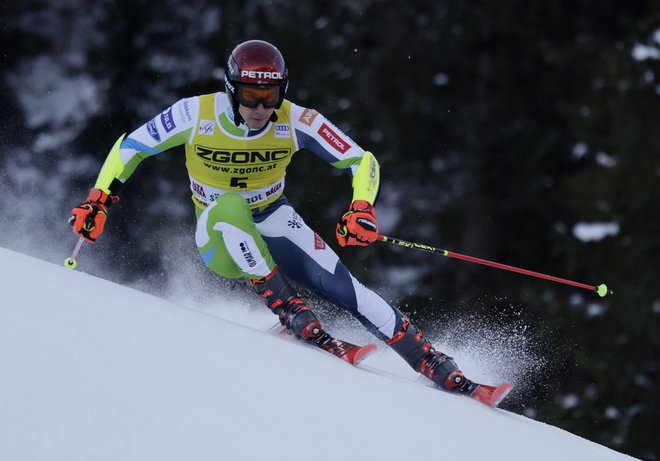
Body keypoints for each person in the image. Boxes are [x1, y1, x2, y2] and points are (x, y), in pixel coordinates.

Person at [69, 39, 475, 396]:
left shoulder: (296, 120)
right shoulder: (195, 114)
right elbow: (131, 147)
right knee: (229, 206)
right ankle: (289, 309)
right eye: (250, 94)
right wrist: (99, 199)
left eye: (270, 95)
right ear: (231, 88)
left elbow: (361, 159)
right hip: (219, 235)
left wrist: (361, 206)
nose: (261, 107)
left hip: (274, 216)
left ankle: (429, 360)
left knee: (344, 286)